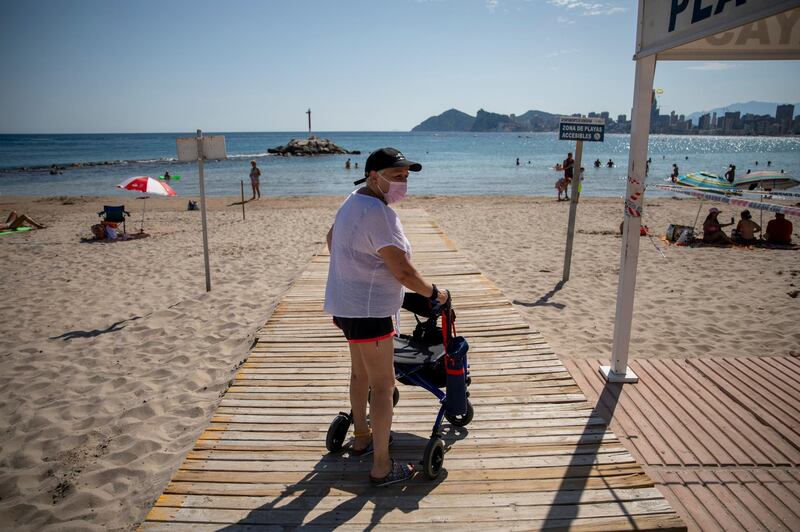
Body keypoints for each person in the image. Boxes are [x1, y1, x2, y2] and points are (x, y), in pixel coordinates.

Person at [324, 147, 449, 487]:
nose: (403, 183)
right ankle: (382, 466)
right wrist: (436, 294)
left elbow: (331, 240)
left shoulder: (352, 201)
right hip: (370, 313)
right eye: (396, 177)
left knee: (359, 374)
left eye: (406, 177)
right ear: (373, 176)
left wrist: (357, 267)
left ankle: (363, 436)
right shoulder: (380, 214)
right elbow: (405, 272)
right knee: (383, 386)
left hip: (345, 306)